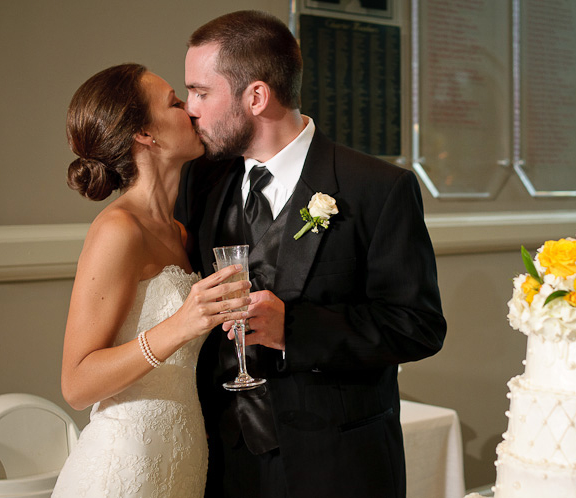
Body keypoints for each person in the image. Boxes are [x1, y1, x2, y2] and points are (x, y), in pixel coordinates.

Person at [175, 10, 447, 498]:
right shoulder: (201, 181)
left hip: (336, 465)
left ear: (255, 96)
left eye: (201, 92)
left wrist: (295, 331)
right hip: (222, 460)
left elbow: (418, 325)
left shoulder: (377, 188)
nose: (190, 109)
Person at [52, 63, 251, 498]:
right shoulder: (118, 230)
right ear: (146, 134)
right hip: (124, 468)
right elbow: (77, 384)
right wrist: (180, 325)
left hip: (182, 460)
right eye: (176, 103)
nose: (192, 111)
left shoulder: (180, 232)